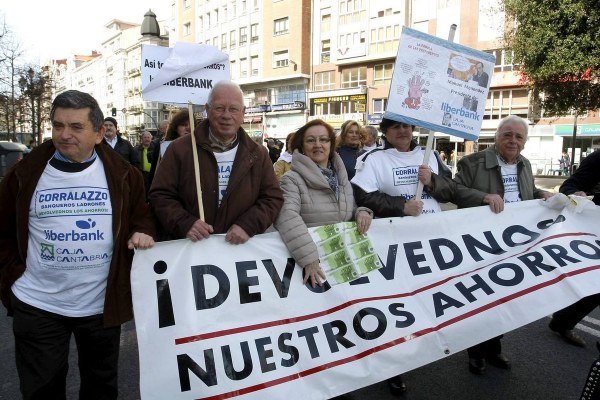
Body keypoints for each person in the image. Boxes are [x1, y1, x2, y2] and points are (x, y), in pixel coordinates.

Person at [0, 90, 156, 399]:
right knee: (41, 390)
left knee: (101, 388)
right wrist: (11, 281)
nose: (64, 134)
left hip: (100, 306)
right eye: (58, 126)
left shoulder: (125, 176)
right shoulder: (25, 173)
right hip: (37, 304)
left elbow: (142, 216)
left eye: (75, 127)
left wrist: (143, 231)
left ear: (99, 133)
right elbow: (3, 229)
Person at [351, 118, 453, 395]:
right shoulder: (374, 158)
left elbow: (450, 189)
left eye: (407, 126)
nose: (403, 131)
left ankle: (418, 347)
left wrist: (432, 181)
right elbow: (362, 196)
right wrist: (401, 207)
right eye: (395, 127)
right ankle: (394, 366)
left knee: (427, 298)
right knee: (396, 304)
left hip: (432, 240)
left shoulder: (429, 155)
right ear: (385, 132)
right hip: (394, 244)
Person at [452, 115, 553, 375]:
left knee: (503, 301)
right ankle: (475, 353)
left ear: (525, 142)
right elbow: (455, 191)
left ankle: (494, 348)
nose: (513, 141)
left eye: (519, 137)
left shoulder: (525, 164)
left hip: (515, 245)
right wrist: (483, 197)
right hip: (482, 245)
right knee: (480, 301)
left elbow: (526, 194)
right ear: (496, 136)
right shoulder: (472, 162)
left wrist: (540, 194)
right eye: (507, 134)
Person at [148, 80, 283, 243]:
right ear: (207, 110)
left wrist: (248, 225)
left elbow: (272, 199)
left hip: (239, 250)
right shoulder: (180, 149)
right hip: (190, 247)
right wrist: (185, 223)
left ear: (243, 112)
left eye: (234, 109)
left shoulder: (258, 154)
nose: (227, 115)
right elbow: (160, 195)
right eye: (219, 108)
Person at [274, 119, 373, 288]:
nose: (318, 145)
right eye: (311, 140)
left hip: (343, 264)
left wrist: (361, 212)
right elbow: (287, 218)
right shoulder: (291, 179)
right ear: (302, 147)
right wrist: (310, 259)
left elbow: (349, 207)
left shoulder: (340, 177)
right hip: (314, 269)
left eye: (324, 140)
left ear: (331, 144)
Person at [548, 149, 600, 348]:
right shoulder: (598, 159)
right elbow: (569, 186)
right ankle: (563, 322)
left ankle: (562, 321)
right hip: (593, 231)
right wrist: (576, 194)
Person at [148, 109, 192, 186]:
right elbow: (155, 173)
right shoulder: (163, 145)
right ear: (176, 127)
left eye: (191, 125)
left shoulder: (199, 146)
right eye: (184, 125)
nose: (188, 128)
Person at [136, 131, 155, 197]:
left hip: (153, 175)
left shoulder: (156, 148)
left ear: (151, 138)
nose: (147, 139)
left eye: (148, 137)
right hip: (141, 174)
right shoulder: (136, 149)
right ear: (142, 139)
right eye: (145, 137)